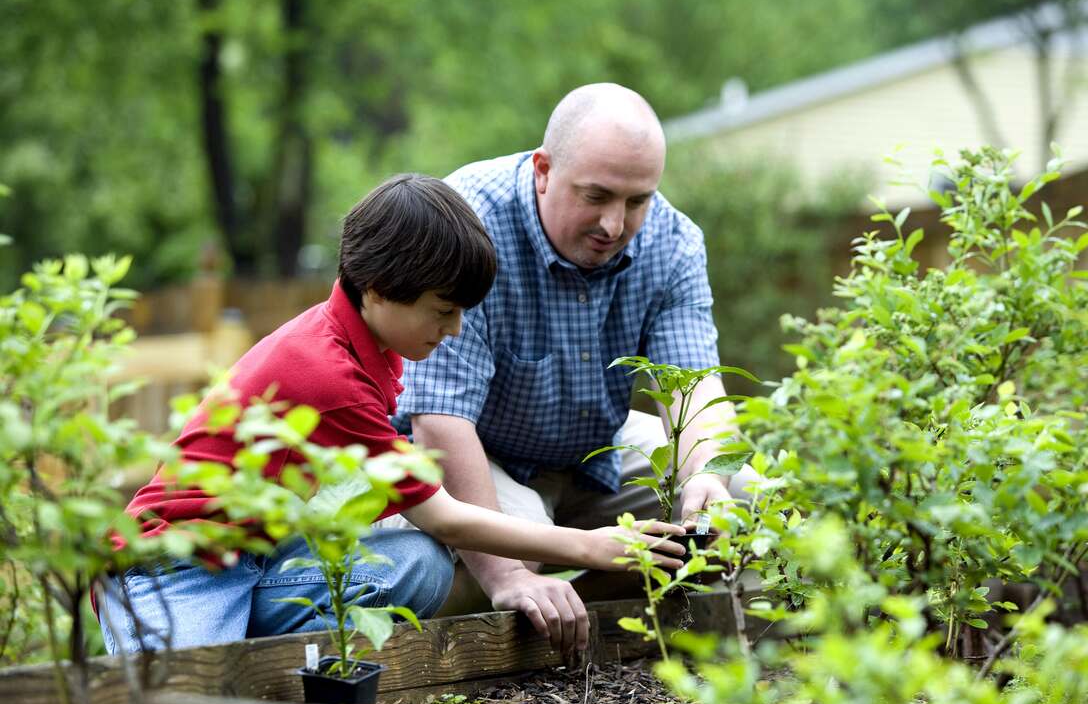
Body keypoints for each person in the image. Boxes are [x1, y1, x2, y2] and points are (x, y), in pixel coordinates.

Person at [98, 173, 685, 656]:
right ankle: (175, 643)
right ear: (378, 290)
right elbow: (446, 516)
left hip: (256, 558)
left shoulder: (370, 349)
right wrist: (589, 547)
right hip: (177, 566)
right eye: (442, 310)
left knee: (417, 567)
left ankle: (256, 654)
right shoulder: (325, 370)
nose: (454, 328)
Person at [393, 84, 754, 657]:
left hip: (594, 449)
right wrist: (509, 575)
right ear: (543, 170)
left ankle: (584, 612)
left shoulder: (674, 242)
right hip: (479, 449)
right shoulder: (467, 222)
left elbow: (693, 387)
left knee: (746, 499)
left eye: (637, 201)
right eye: (597, 196)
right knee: (515, 549)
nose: (615, 223)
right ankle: (494, 613)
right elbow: (439, 421)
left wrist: (705, 476)